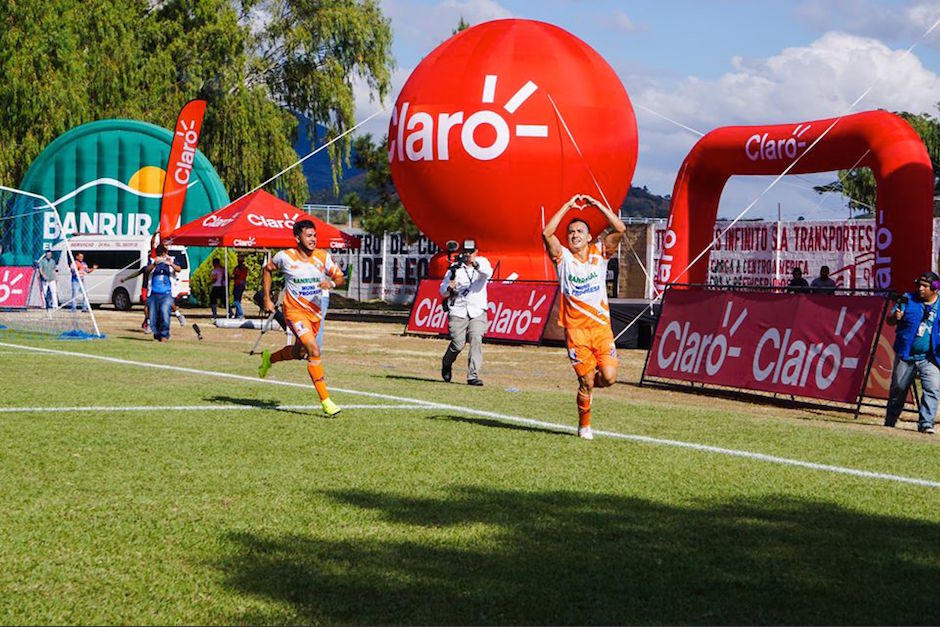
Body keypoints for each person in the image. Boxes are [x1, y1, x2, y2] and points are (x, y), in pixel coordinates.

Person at [542, 193, 626, 440]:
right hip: (576, 332)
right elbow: (547, 233)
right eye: (571, 232)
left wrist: (598, 205)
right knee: (587, 382)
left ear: (589, 237)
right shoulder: (563, 258)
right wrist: (567, 205)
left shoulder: (599, 252)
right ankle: (584, 425)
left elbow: (620, 228)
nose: (574, 235)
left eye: (579, 231)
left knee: (609, 378)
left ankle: (588, 388)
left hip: (601, 329)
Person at [257, 219, 346, 416]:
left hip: (314, 313)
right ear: (298, 238)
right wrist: (267, 298)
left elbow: (340, 278)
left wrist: (331, 284)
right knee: (314, 350)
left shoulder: (323, 256)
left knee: (300, 353)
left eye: (315, 236)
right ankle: (326, 401)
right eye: (309, 236)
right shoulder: (285, 257)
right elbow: (267, 269)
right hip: (294, 312)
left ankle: (269, 359)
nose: (313, 239)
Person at [884, 272, 940, 434]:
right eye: (919, 285)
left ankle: (926, 423)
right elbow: (890, 321)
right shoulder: (907, 299)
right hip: (906, 354)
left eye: (925, 286)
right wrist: (896, 316)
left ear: (935, 288)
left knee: (932, 388)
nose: (920, 289)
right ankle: (891, 420)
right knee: (899, 388)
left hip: (930, 357)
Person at [440, 240, 492, 386]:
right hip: (459, 309)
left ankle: (473, 375)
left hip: (477, 309)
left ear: (476, 252)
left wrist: (474, 263)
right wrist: (449, 288)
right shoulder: (455, 268)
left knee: (476, 338)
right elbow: (442, 291)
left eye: (471, 252)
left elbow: (488, 273)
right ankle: (446, 362)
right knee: (458, 343)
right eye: (466, 252)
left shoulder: (482, 263)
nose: (468, 255)